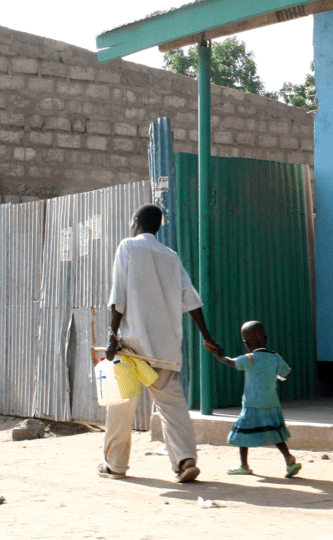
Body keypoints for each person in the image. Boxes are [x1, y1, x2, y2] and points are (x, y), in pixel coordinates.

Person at [99, 204, 220, 484]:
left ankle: (115, 464)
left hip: (132, 349)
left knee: (121, 406)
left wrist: (111, 335)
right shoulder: (171, 256)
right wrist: (206, 336)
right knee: (173, 407)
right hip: (164, 348)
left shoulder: (127, 247)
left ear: (136, 221)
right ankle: (185, 460)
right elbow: (190, 299)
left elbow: (119, 295)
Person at [209, 320, 302, 478]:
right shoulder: (275, 357)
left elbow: (231, 362)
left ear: (245, 342)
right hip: (271, 403)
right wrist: (276, 374)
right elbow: (287, 373)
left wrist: (219, 355)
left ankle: (244, 465)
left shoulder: (249, 358)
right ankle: (289, 459)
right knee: (275, 433)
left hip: (252, 404)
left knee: (242, 434)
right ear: (265, 338)